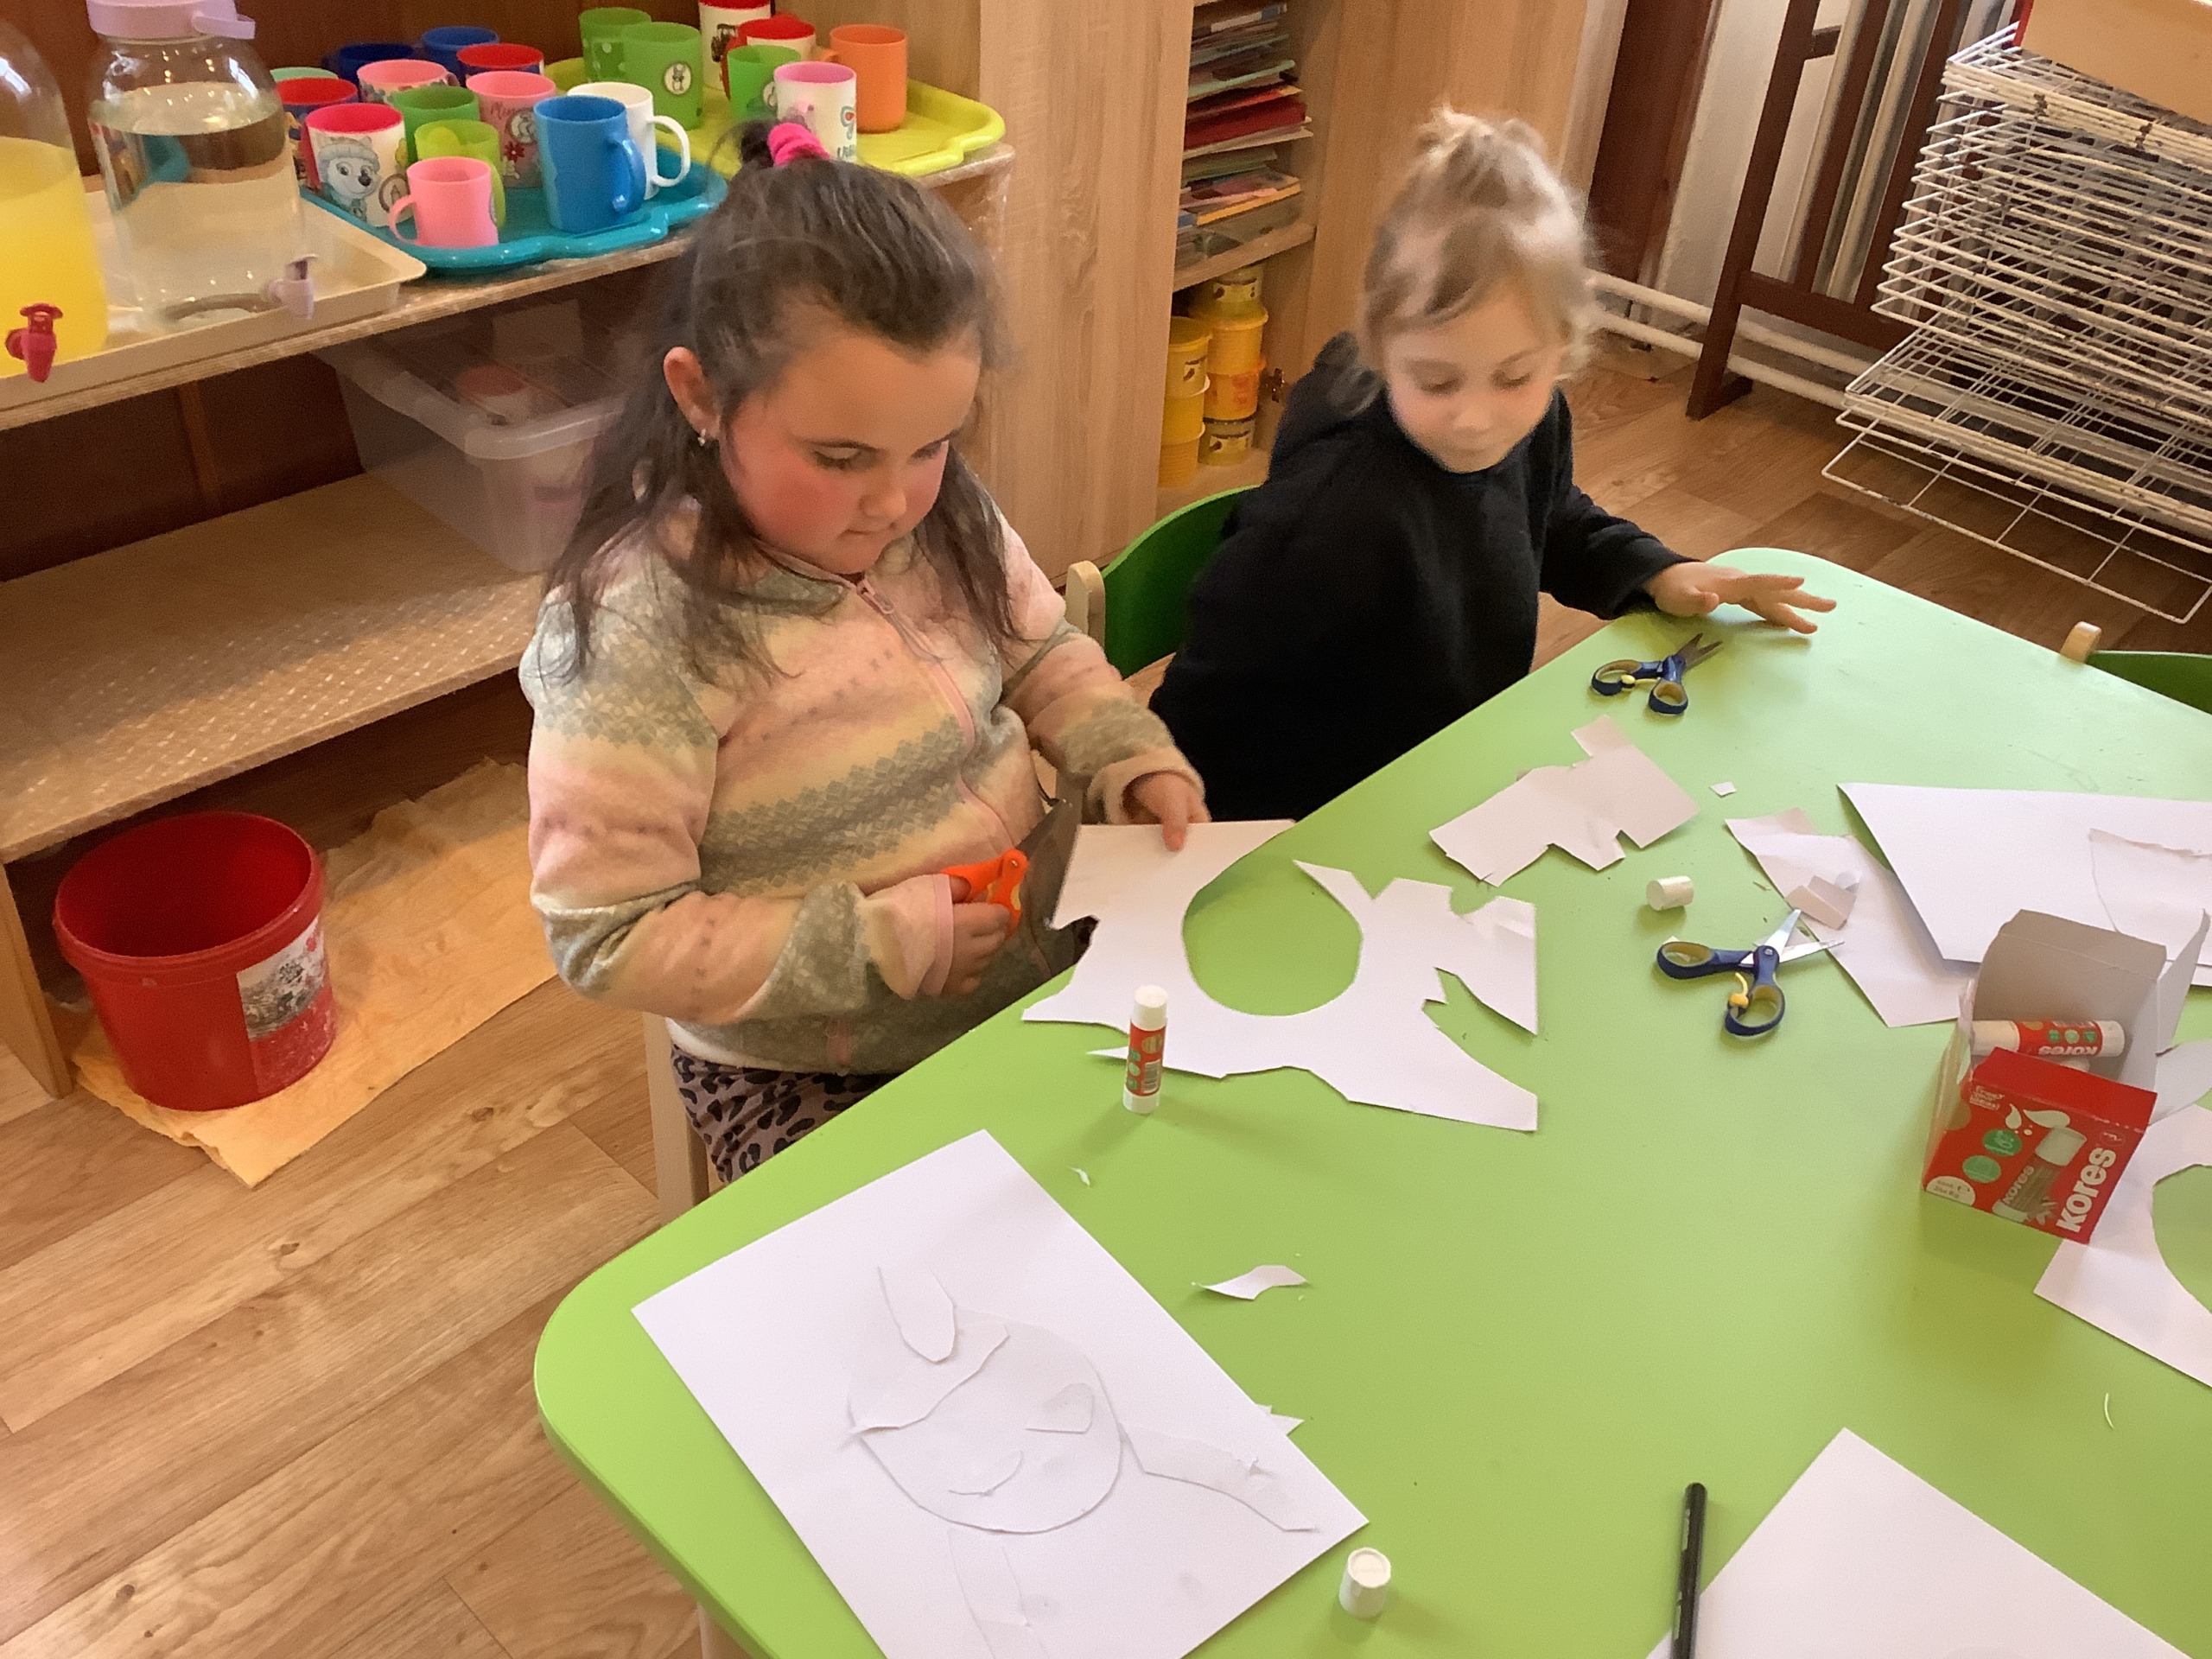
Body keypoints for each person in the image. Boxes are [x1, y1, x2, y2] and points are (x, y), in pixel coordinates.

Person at [521, 122, 1205, 1181]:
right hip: (811, 1062)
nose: (894, 502)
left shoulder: (938, 507)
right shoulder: (637, 630)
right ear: (701, 396)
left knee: (1172, 1174)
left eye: (933, 444)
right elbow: (605, 937)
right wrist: (877, 943)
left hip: (1031, 966)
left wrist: (1124, 750)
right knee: (919, 1272)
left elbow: (1040, 650)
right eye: (840, 457)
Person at [1151, 111, 1835, 822]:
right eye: (1437, 381)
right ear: (1381, 346)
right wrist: (1177, 802)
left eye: (1513, 377)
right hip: (1312, 809)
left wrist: (1656, 571)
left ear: (1562, 349)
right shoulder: (1331, 513)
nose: (1476, 419)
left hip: (1442, 766)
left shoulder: (1535, 424)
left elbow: (1554, 519)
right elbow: (1211, 690)